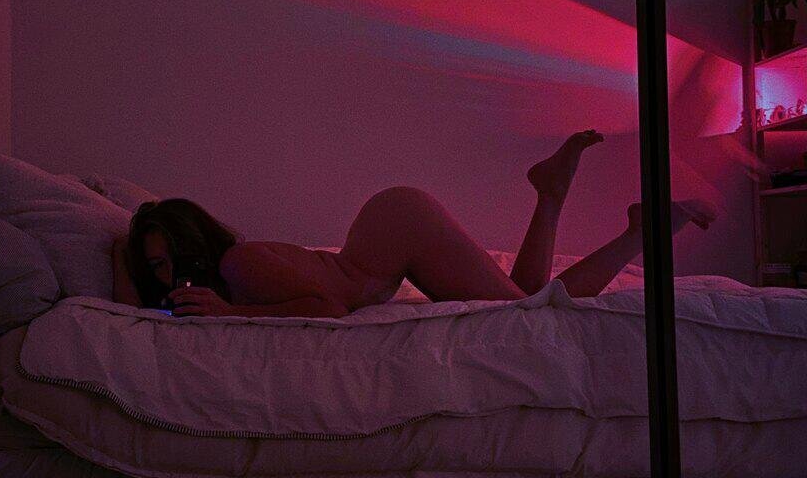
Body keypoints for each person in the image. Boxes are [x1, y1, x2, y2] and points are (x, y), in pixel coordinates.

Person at [111, 131, 715, 318]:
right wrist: (122, 252)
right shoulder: (215, 282)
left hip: (394, 232)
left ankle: (634, 233)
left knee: (530, 316)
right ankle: (556, 197)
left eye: (167, 260)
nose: (165, 276)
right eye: (154, 266)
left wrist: (231, 315)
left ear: (193, 244)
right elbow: (128, 314)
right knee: (525, 301)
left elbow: (325, 308)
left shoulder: (235, 265)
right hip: (387, 235)